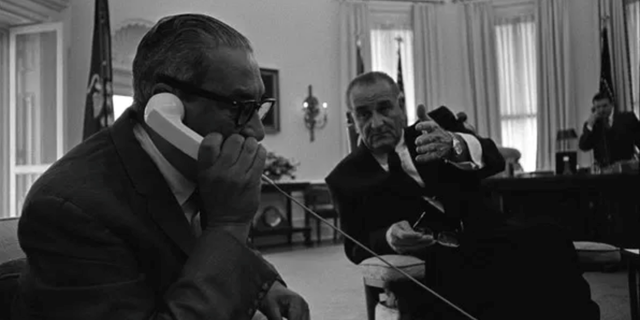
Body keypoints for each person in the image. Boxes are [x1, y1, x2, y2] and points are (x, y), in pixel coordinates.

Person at [12, 14, 309, 320]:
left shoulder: (199, 167)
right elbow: (218, 236)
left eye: (258, 106)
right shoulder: (71, 208)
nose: (258, 132)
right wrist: (230, 223)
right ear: (166, 105)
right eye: (240, 107)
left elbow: (197, 243)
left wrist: (266, 286)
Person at [326, 71, 599, 320]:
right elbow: (355, 245)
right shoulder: (345, 178)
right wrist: (389, 236)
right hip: (432, 259)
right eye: (363, 114)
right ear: (352, 119)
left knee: (550, 236)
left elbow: (493, 159)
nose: (376, 122)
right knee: (466, 281)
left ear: (401, 106)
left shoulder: (436, 125)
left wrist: (456, 145)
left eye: (384, 108)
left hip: (488, 230)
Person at [578, 92, 640, 167]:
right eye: (598, 107)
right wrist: (590, 125)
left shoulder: (627, 118)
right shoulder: (594, 125)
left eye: (604, 106)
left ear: (611, 104)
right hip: (604, 173)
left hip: (626, 169)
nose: (601, 110)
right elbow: (583, 146)